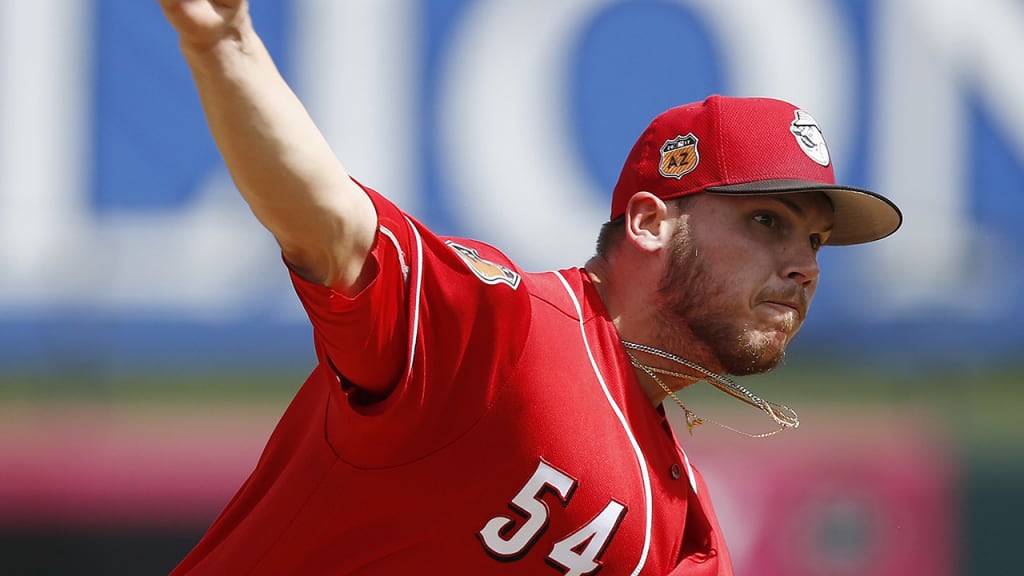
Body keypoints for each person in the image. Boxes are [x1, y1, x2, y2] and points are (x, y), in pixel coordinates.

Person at [160, 1, 902, 575]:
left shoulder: (686, 527)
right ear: (651, 223)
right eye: (768, 221)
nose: (804, 265)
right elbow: (329, 226)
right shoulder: (508, 333)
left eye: (815, 240)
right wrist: (225, 44)